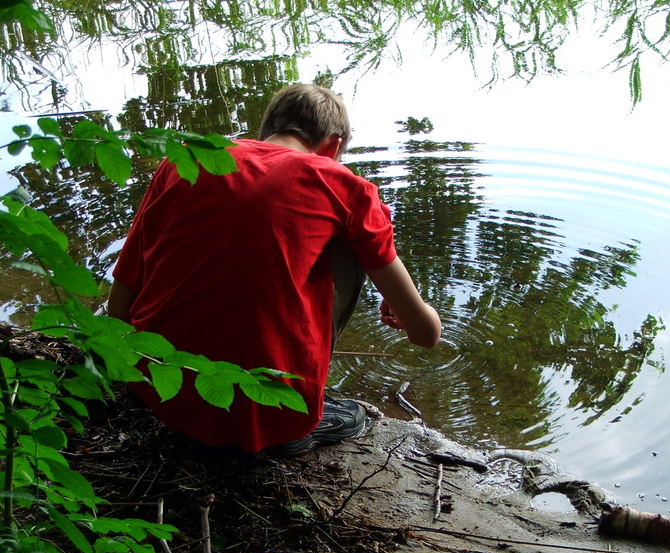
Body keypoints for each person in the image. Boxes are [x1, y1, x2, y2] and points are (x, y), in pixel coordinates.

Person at [108, 83, 441, 455]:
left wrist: (121, 366)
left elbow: (126, 278)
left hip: (155, 384)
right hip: (265, 420)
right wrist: (408, 305)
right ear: (332, 146)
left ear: (266, 132)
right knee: (350, 242)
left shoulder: (187, 158)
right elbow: (426, 335)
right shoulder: (342, 185)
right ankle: (290, 409)